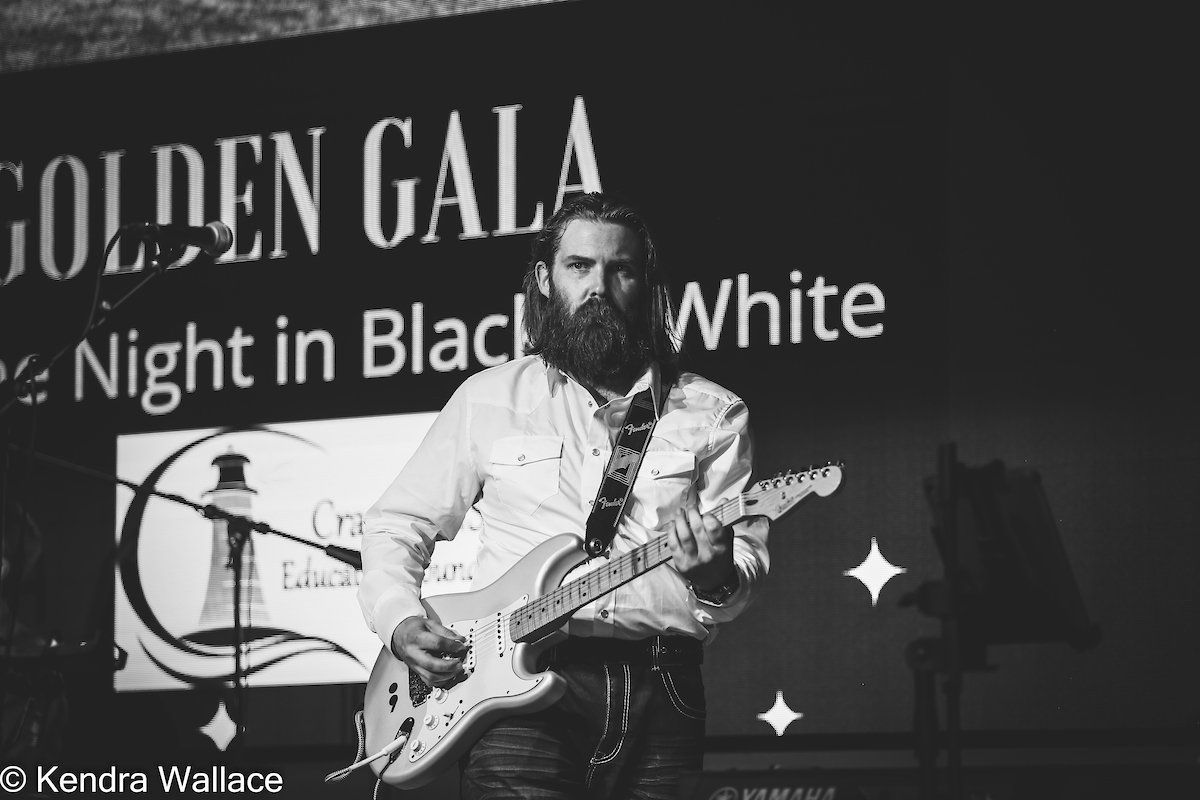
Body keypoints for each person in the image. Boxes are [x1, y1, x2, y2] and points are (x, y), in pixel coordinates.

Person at [358, 192, 769, 799]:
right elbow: (397, 524)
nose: (599, 287)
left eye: (620, 269)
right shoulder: (489, 398)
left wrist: (715, 576)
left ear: (646, 286)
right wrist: (399, 620)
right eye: (580, 266)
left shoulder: (712, 415)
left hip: (663, 687)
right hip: (514, 693)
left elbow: (743, 567)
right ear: (545, 280)